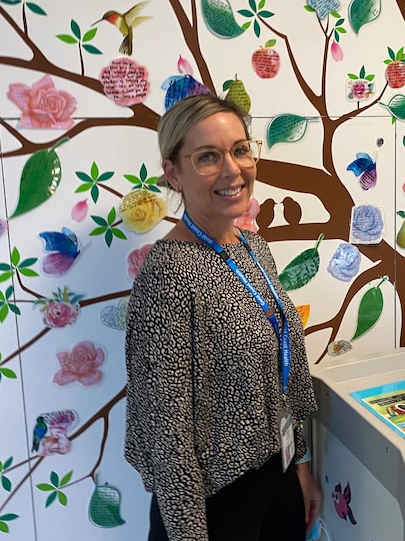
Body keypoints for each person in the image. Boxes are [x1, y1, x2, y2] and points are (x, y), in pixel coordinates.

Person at [124, 94, 321, 540]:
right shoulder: (168, 275)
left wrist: (300, 466)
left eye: (239, 149)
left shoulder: (253, 249)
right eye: (207, 157)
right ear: (173, 172)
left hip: (278, 475)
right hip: (212, 503)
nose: (232, 169)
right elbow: (166, 432)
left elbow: (281, 372)